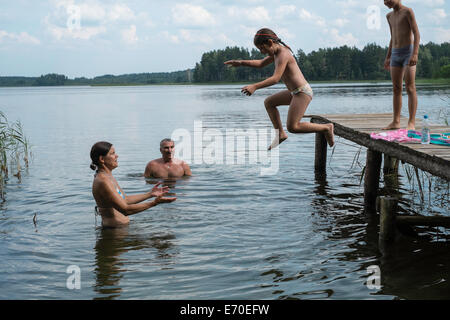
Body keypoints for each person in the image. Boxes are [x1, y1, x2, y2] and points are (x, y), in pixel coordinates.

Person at [224, 28, 334, 150]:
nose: (262, 52)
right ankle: (280, 134)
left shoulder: (283, 54)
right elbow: (260, 63)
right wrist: (240, 63)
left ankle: (327, 127)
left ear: (270, 43)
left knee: (293, 127)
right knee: (269, 102)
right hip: (294, 92)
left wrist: (254, 86)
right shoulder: (275, 53)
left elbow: (275, 78)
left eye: (262, 48)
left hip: (302, 92)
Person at [90, 141, 176, 228]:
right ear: (102, 159)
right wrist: (154, 203)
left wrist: (150, 194)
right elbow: (125, 210)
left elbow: (125, 200)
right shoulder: (103, 181)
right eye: (112, 153)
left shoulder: (108, 176)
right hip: (114, 232)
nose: (117, 156)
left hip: (121, 229)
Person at [383, 0, 420, 130]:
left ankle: (411, 122)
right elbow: (392, 37)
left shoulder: (408, 11)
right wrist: (388, 56)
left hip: (408, 52)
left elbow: (416, 33)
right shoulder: (389, 16)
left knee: (410, 87)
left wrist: (415, 54)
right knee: (396, 88)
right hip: (395, 53)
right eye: (383, 0)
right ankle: (396, 121)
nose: (385, 2)